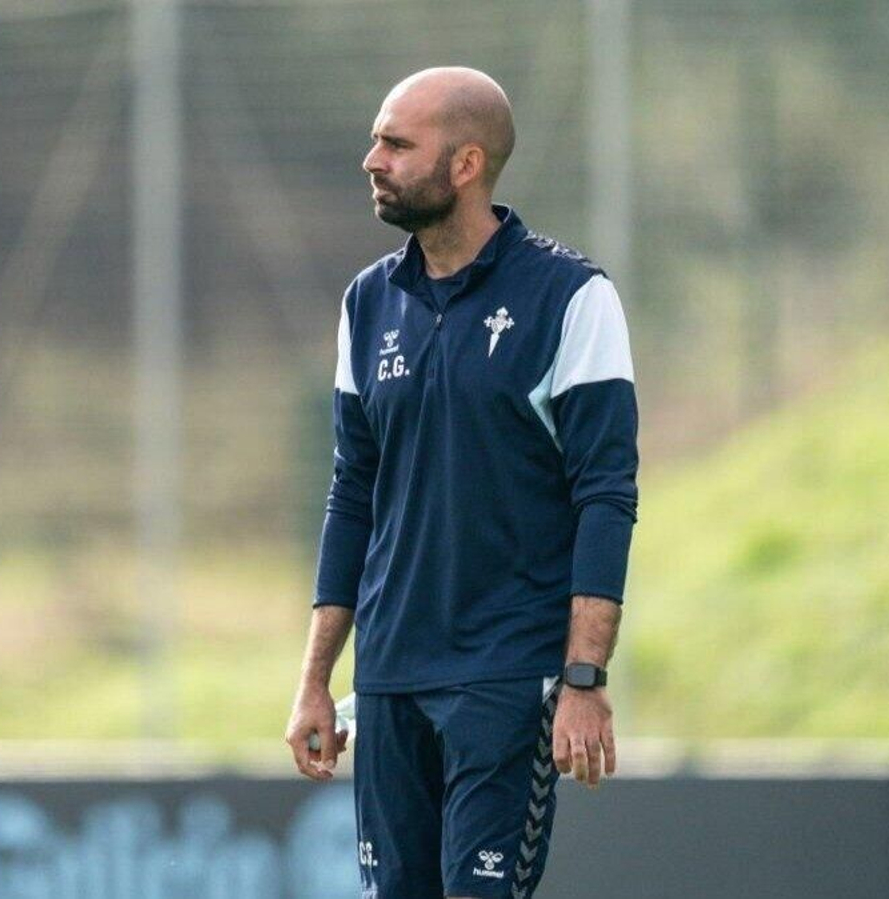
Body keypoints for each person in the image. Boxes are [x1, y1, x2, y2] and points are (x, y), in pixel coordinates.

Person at [284, 67, 639, 898]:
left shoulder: (572, 298)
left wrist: (583, 678)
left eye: (397, 144)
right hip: (391, 677)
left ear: (467, 163)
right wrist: (315, 681)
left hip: (507, 677)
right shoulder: (367, 303)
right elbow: (352, 495)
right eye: (377, 138)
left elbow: (606, 495)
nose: (373, 158)